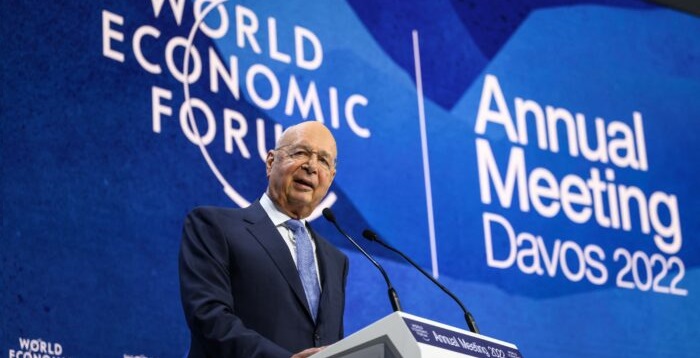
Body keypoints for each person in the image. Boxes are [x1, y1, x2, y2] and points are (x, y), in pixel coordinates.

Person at [179, 121, 349, 358]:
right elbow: (208, 317)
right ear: (271, 162)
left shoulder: (336, 260)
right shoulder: (214, 225)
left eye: (323, 160)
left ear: (330, 178)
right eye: (300, 153)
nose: (311, 166)